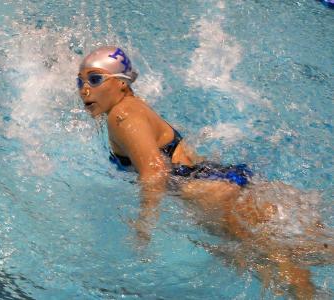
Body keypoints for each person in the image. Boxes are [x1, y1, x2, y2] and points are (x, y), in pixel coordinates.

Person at [76, 46, 333, 299]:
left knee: (275, 259)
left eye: (96, 79)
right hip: (219, 181)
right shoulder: (133, 107)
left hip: (209, 194)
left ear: (122, 83)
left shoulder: (121, 115)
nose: (85, 89)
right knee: (303, 249)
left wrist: (143, 224)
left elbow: (154, 170)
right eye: (80, 81)